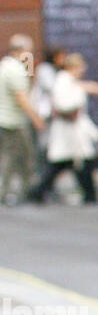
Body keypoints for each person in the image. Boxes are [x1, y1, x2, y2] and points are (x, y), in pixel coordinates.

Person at [30, 53, 98, 204]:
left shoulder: (70, 81)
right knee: (65, 164)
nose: (82, 70)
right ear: (72, 67)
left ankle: (89, 195)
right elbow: (63, 104)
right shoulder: (63, 81)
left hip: (72, 131)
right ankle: (39, 191)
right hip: (67, 130)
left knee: (75, 162)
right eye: (80, 67)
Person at [0, 35, 44, 205]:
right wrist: (36, 119)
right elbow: (22, 98)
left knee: (9, 157)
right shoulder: (16, 69)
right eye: (29, 51)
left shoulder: (4, 65)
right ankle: (21, 191)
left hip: (5, 120)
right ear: (22, 51)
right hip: (13, 122)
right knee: (22, 158)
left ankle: (9, 191)